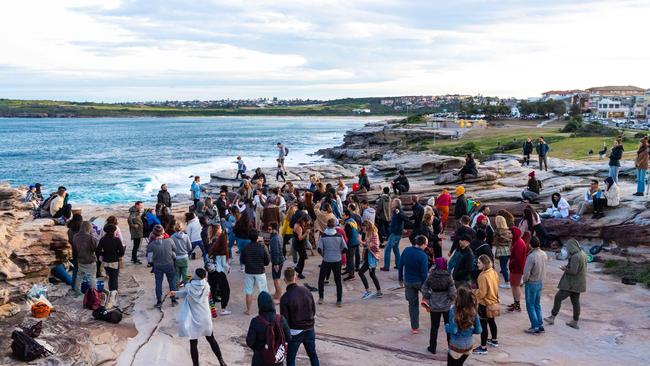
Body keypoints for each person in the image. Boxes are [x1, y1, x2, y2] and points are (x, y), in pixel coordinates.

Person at [169, 268, 227, 366]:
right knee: (211, 340)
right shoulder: (207, 286)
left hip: (194, 320)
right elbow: (188, 293)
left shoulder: (189, 287)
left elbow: (187, 292)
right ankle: (221, 361)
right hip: (205, 319)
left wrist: (175, 292)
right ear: (204, 277)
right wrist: (176, 293)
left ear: (195, 276)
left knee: (193, 343)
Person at [544, 239, 587, 330]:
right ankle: (575, 321)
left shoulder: (576, 256)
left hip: (571, 283)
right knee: (575, 302)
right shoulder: (582, 254)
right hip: (578, 283)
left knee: (558, 297)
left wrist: (564, 269)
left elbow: (573, 271)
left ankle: (552, 317)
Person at [280, 268, 319, 366]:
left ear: (285, 280)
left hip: (295, 332)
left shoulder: (285, 297)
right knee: (313, 355)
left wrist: (285, 337)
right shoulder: (306, 291)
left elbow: (284, 321)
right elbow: (313, 310)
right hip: (309, 328)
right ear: (295, 277)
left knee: (291, 358)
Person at [246, 291, 291, 366]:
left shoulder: (256, 321)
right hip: (276, 358)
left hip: (260, 359)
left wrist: (260, 349)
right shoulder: (281, 319)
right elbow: (289, 337)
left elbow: (250, 341)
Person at [421, 257, 455, 354]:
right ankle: (450, 346)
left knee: (434, 327)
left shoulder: (431, 276)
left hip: (434, 304)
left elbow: (424, 288)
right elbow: (452, 292)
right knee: (448, 326)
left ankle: (432, 347)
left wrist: (428, 296)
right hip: (446, 305)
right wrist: (452, 299)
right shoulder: (448, 276)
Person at [398, 235, 429, 334]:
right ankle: (426, 301)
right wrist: (426, 288)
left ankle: (414, 328)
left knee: (412, 305)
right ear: (422, 244)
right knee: (431, 296)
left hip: (408, 281)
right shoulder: (423, 255)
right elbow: (424, 274)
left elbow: (400, 264)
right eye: (426, 245)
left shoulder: (406, 250)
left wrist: (400, 278)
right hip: (419, 281)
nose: (426, 247)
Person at [445, 287, 482, 366]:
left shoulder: (454, 310)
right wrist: (470, 331)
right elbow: (479, 330)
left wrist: (446, 326)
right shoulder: (473, 310)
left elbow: (454, 330)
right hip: (469, 345)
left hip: (456, 345)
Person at [317, 219, 347, 307]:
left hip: (326, 260)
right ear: (334, 226)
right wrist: (339, 254)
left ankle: (321, 298)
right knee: (338, 281)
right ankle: (339, 300)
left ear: (327, 225)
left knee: (321, 279)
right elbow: (345, 248)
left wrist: (324, 255)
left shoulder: (323, 236)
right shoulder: (339, 236)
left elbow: (319, 249)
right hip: (337, 260)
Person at [473, 255, 499, 355]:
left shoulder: (482, 276)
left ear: (484, 264)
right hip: (494, 301)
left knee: (483, 325)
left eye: (479, 263)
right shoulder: (493, 272)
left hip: (485, 304)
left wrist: (475, 295)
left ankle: (483, 347)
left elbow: (482, 293)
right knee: (492, 322)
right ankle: (494, 340)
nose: (477, 264)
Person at [148, 225, 178, 308]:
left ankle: (159, 301)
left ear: (153, 234)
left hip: (158, 266)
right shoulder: (170, 240)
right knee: (172, 282)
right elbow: (175, 250)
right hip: (169, 264)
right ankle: (173, 300)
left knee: (158, 283)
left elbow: (150, 260)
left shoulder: (151, 245)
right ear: (163, 232)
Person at [241, 230, 271, 315]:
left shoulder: (246, 247)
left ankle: (248, 310)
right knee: (263, 291)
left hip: (249, 271)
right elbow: (267, 261)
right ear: (257, 237)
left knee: (249, 291)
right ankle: (264, 310)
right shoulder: (262, 247)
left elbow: (242, 261)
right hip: (260, 271)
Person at [523, 236, 547, 334]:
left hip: (532, 283)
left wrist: (525, 280)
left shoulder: (531, 256)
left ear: (530, 245)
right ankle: (540, 324)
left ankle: (535, 326)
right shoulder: (543, 254)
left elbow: (527, 272)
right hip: (540, 282)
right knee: (537, 304)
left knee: (530, 305)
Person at [206, 229, 232, 315]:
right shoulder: (223, 250)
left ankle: (212, 308)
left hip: (211, 272)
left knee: (212, 289)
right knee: (225, 290)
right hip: (219, 272)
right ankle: (223, 309)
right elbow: (224, 264)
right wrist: (228, 269)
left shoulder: (213, 247)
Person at [380, 198, 408, 272]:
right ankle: (399, 265)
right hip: (396, 232)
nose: (392, 203)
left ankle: (386, 266)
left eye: (393, 202)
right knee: (395, 249)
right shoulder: (395, 211)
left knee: (387, 249)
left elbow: (405, 218)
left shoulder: (398, 211)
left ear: (396, 204)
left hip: (395, 233)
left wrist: (399, 213)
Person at [96, 224, 124, 293]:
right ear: (114, 231)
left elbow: (97, 250)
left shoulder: (103, 239)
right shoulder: (117, 240)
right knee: (114, 278)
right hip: (114, 261)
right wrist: (117, 255)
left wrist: (103, 254)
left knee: (110, 277)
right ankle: (114, 293)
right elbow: (122, 252)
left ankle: (111, 291)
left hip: (106, 261)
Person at [72, 221, 98, 295]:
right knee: (92, 277)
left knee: (79, 276)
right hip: (90, 260)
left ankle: (77, 292)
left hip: (80, 260)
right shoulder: (91, 238)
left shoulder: (75, 236)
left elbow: (75, 248)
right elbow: (95, 249)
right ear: (89, 228)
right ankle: (94, 294)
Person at [359, 220, 382, 298]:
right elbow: (367, 244)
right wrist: (363, 243)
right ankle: (379, 292)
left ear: (367, 226)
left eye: (363, 227)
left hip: (372, 257)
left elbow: (375, 245)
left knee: (361, 272)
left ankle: (368, 291)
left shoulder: (373, 233)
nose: (363, 229)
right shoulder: (369, 233)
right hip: (369, 256)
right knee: (372, 274)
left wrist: (363, 243)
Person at [507, 227, 526, 313]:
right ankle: (515, 303)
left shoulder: (519, 243)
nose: (508, 235)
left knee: (516, 286)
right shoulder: (516, 241)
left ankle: (517, 305)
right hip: (515, 268)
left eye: (510, 233)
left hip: (517, 269)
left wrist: (511, 264)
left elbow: (517, 258)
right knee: (514, 286)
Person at [492, 216, 512, 288]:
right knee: (506, 267)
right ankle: (509, 281)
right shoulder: (508, 230)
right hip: (508, 250)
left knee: (503, 267)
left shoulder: (497, 231)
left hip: (501, 251)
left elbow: (494, 241)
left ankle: (507, 282)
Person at [269, 223, 285, 302]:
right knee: (277, 278)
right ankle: (277, 293)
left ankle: (278, 295)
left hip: (277, 261)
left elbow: (275, 252)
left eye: (270, 229)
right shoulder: (279, 236)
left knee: (276, 278)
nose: (269, 231)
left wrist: (275, 264)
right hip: (280, 260)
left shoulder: (274, 239)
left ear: (274, 229)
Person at [343, 210, 360, 281]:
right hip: (356, 241)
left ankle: (351, 275)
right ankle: (348, 269)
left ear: (347, 216)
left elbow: (348, 234)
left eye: (343, 215)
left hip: (351, 243)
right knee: (349, 257)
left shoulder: (348, 223)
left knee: (350, 259)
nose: (342, 216)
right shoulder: (352, 220)